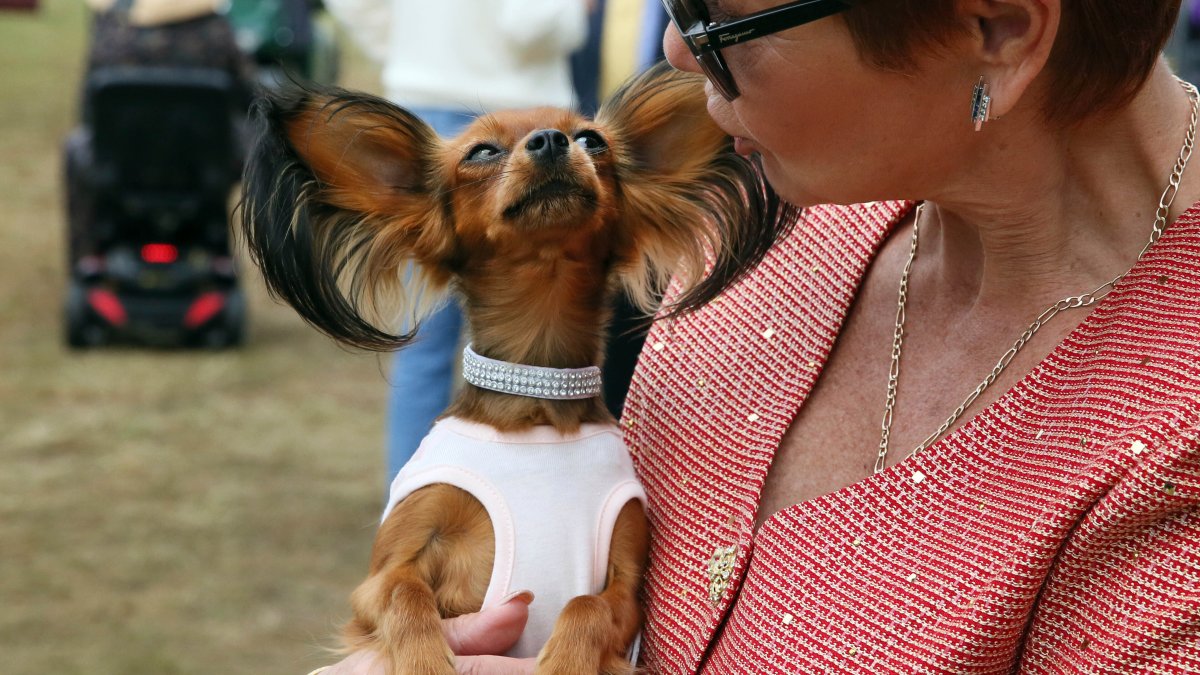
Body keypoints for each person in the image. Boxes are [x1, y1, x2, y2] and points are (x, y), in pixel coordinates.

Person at [318, 0, 1200, 672]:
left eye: (716, 14)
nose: (673, 46)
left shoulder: (1173, 447)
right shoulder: (758, 229)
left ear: (998, 30)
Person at [321, 0, 589, 487]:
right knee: (545, 340)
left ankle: (410, 501)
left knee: (422, 343)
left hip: (422, 100)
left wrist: (410, 48)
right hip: (526, 110)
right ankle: (537, 499)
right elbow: (534, 23)